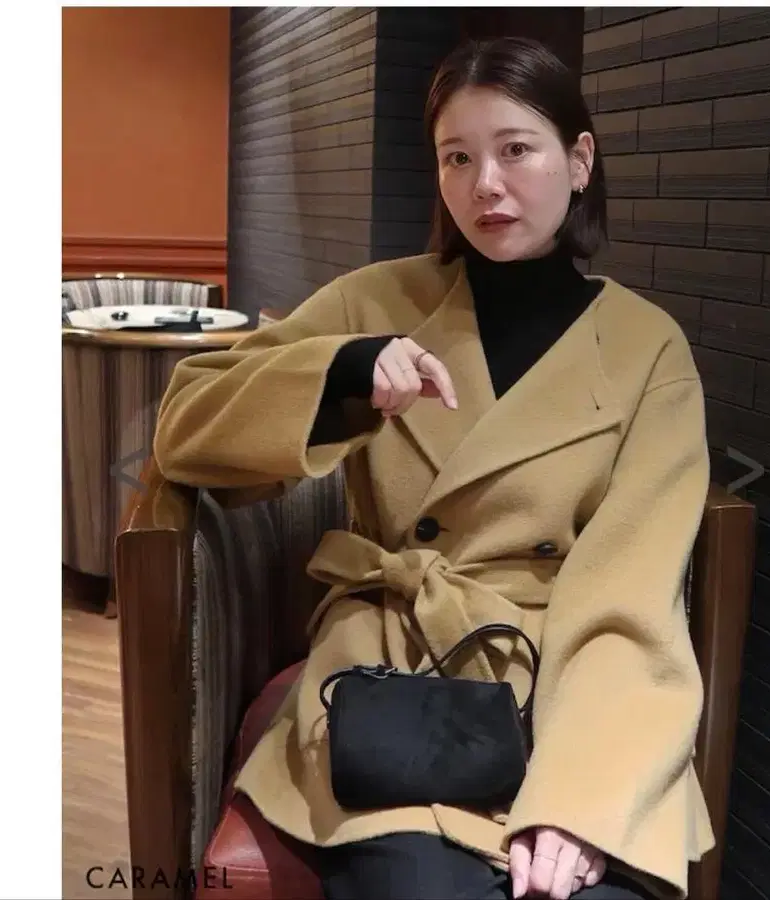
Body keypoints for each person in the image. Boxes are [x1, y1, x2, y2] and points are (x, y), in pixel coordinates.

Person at [153, 36, 714, 900]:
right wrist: (342, 373)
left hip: (565, 684)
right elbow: (184, 424)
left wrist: (577, 797)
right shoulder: (375, 301)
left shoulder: (649, 350)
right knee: (414, 882)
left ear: (579, 160)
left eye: (515, 149)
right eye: (457, 157)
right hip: (396, 668)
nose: (485, 183)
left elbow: (628, 598)